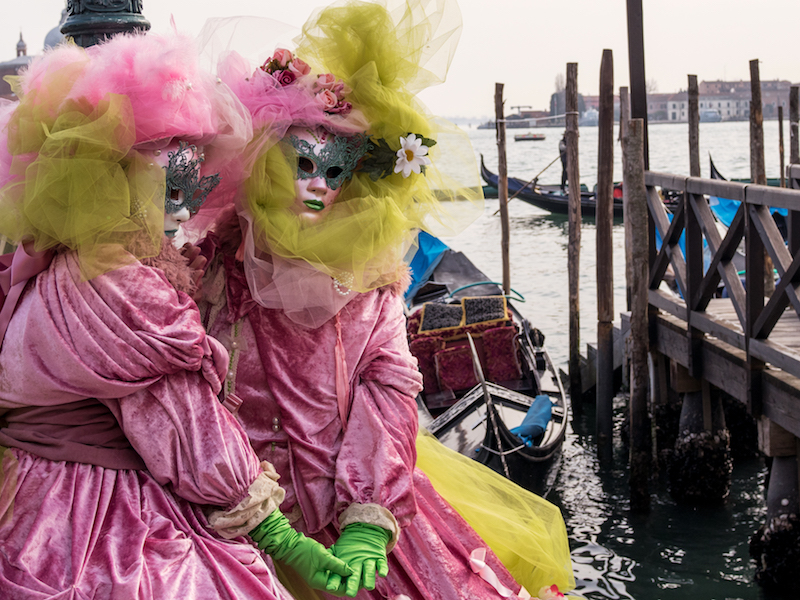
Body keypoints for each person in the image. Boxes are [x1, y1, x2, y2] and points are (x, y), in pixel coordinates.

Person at [192, 1, 574, 598]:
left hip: (352, 518)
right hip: (237, 524)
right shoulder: (211, 271)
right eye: (304, 162)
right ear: (263, 158)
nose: (320, 184)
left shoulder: (368, 281)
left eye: (338, 170)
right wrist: (256, 512)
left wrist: (367, 515)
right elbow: (185, 398)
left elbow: (387, 386)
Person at [0, 33, 351, 600]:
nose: (186, 212)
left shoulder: (47, 263)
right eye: (169, 190)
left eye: (194, 189)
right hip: (90, 510)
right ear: (115, 181)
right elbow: (184, 424)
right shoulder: (120, 285)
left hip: (26, 496)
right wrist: (281, 537)